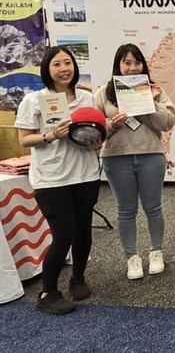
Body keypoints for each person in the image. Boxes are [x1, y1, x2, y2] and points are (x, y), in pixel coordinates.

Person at [15, 46, 103, 314]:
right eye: (57, 64)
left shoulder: (87, 98)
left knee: (83, 229)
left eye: (68, 63)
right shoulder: (34, 100)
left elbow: (96, 137)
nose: (64, 69)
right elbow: (24, 139)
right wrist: (51, 135)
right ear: (47, 69)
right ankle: (47, 291)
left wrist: (96, 143)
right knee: (64, 233)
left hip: (85, 173)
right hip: (51, 178)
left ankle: (78, 278)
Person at [94, 44, 175, 280]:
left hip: (151, 154)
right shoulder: (103, 93)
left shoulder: (155, 90)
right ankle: (131, 256)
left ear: (144, 65)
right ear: (118, 66)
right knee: (125, 210)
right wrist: (112, 125)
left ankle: (156, 251)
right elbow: (95, 132)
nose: (132, 68)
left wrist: (150, 102)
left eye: (137, 63)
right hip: (116, 157)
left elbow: (168, 122)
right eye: (127, 63)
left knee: (153, 208)